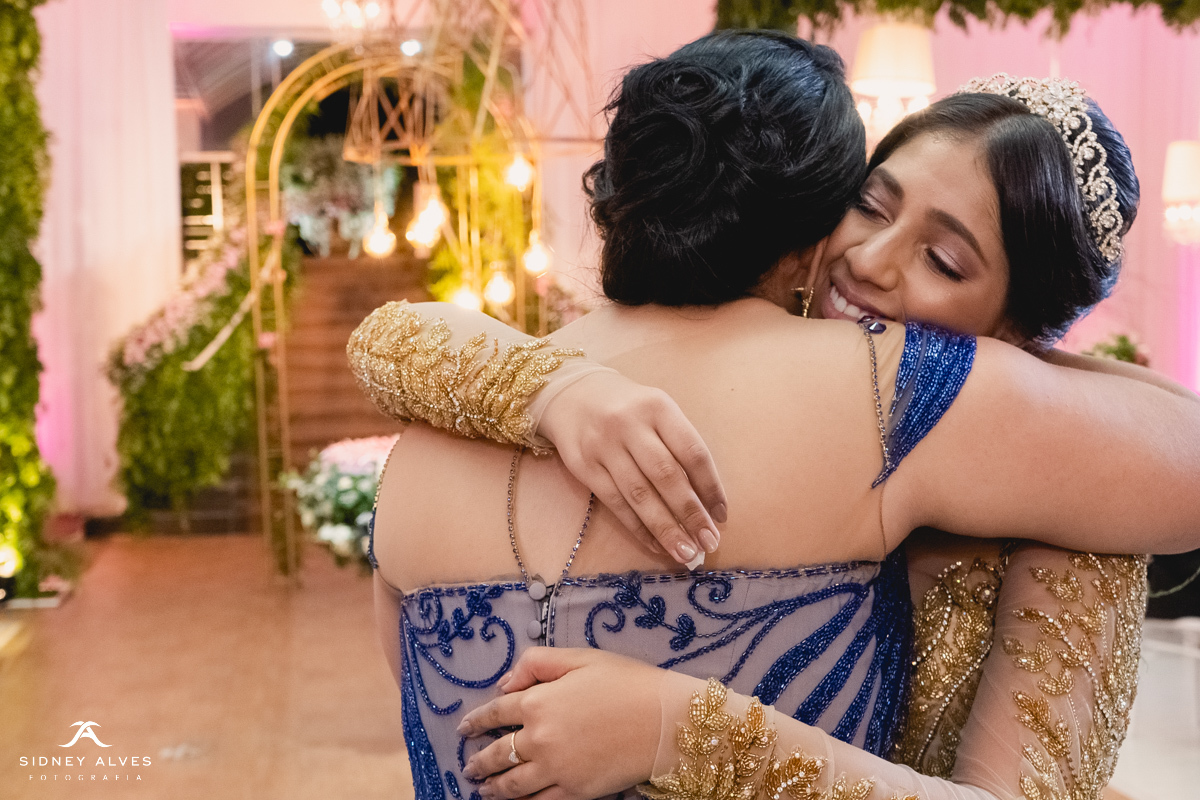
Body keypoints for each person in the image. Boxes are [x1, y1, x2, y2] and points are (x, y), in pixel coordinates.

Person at [349, 33, 1199, 800]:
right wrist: (549, 388)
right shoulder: (883, 400)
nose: (869, 260)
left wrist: (682, 730)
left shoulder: (423, 458)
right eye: (869, 206)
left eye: (943, 260)